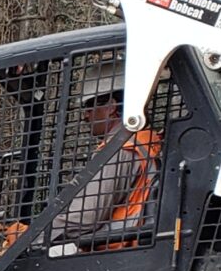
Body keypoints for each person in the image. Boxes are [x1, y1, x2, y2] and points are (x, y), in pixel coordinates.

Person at [49, 84, 161, 248]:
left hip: (116, 251)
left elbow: (84, 218)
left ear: (110, 107)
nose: (85, 116)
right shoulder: (146, 141)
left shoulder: (120, 150)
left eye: (89, 106)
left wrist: (31, 237)